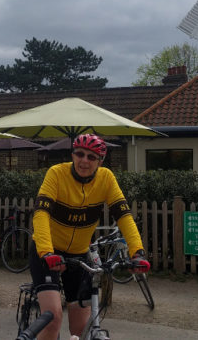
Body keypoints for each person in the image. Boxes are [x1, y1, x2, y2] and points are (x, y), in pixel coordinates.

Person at [30, 134, 150, 340]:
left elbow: (124, 216)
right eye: (80, 154)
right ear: (72, 155)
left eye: (91, 157)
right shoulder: (56, 173)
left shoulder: (106, 178)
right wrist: (46, 252)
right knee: (53, 319)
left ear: (100, 161)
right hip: (49, 252)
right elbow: (41, 214)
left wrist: (137, 252)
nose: (84, 160)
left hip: (79, 255)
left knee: (82, 328)